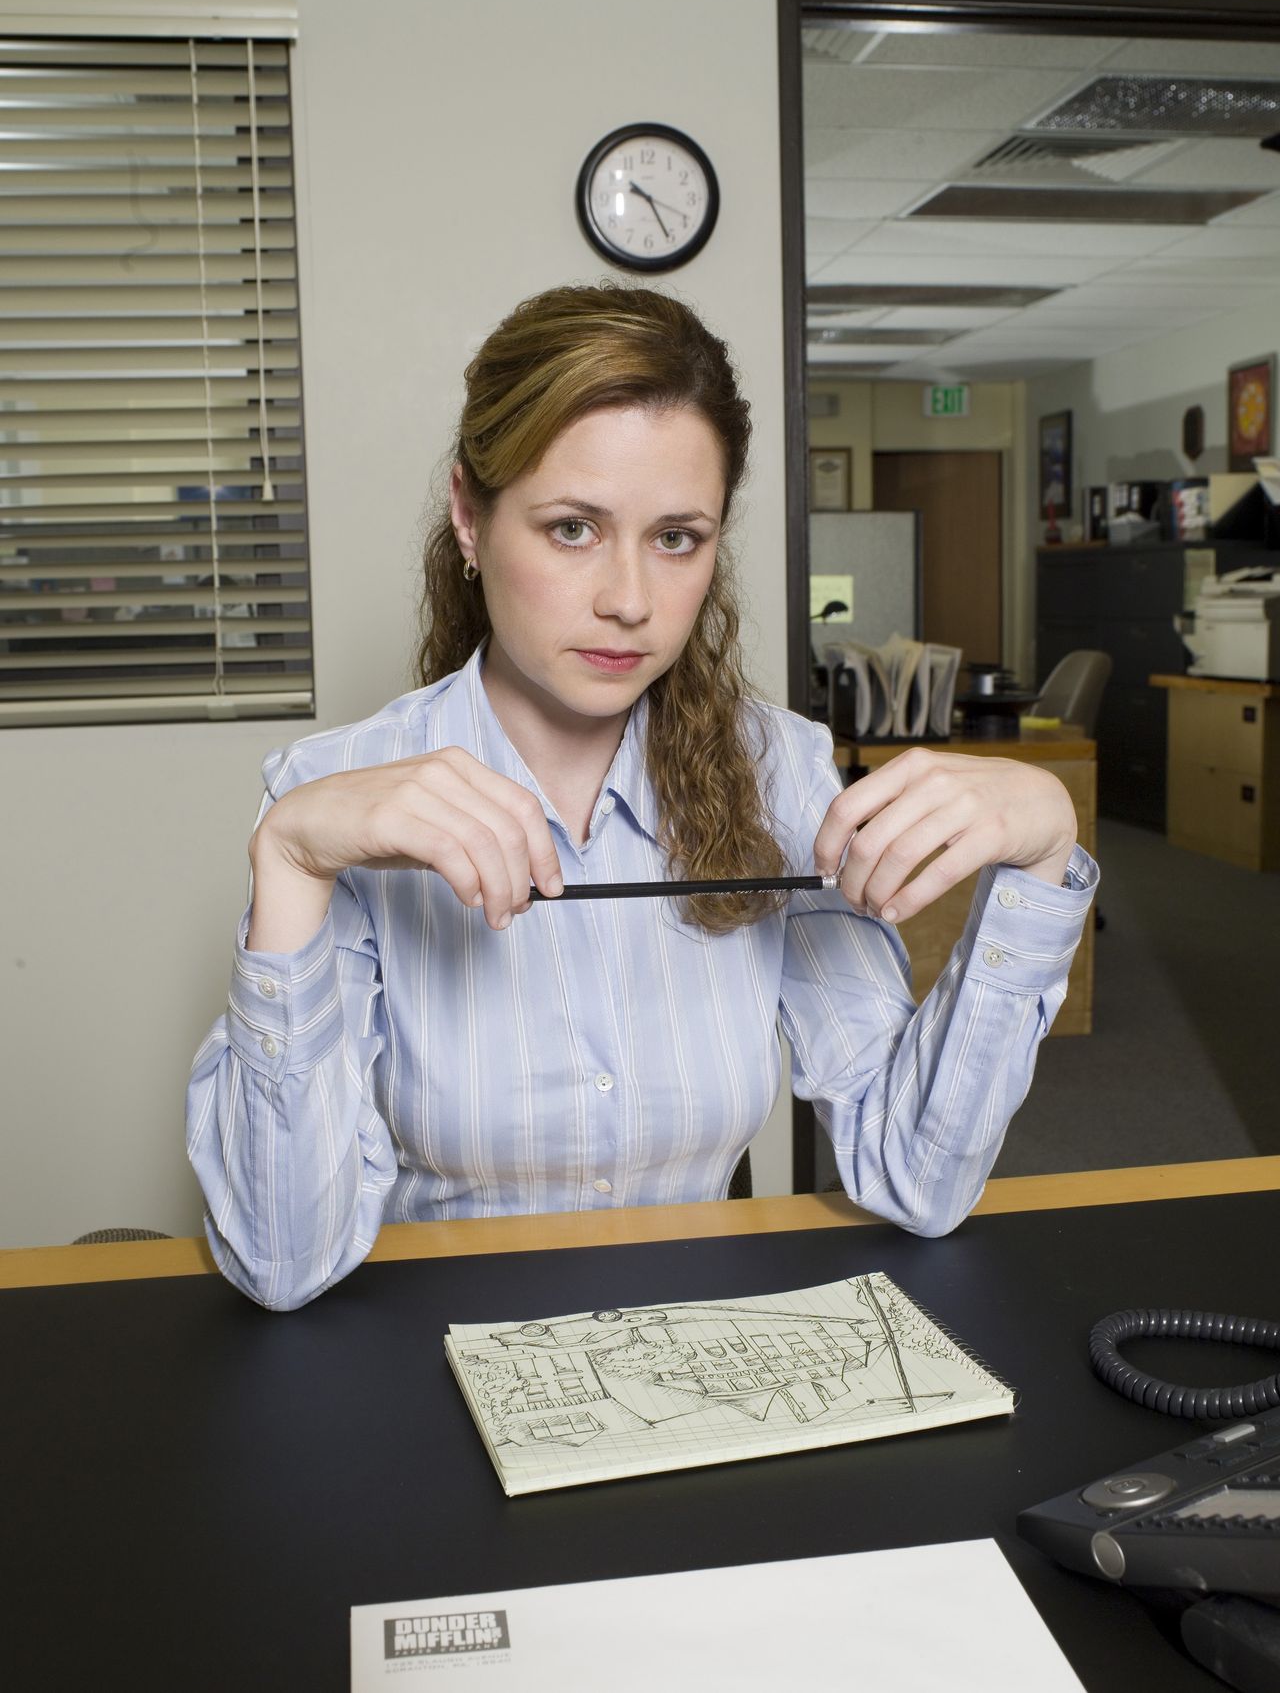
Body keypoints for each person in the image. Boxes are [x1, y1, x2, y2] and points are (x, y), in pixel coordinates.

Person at [186, 283, 1097, 1312]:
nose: (628, 599)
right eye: (572, 528)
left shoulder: (777, 772)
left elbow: (915, 1179)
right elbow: (280, 1264)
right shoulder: (335, 798)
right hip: (430, 1364)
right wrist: (292, 863)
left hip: (694, 1376)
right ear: (468, 518)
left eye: (676, 538)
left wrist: (1041, 859)